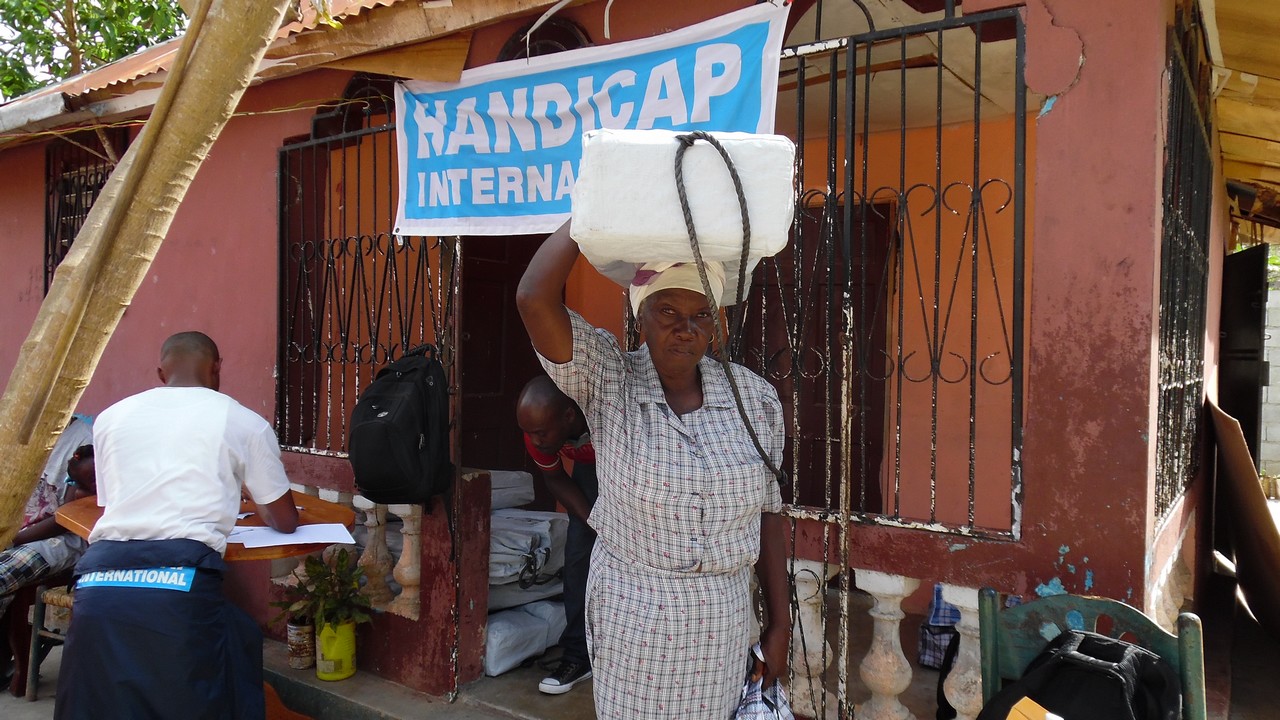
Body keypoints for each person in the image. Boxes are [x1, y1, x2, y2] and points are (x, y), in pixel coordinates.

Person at [516, 221, 791, 719]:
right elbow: (534, 297)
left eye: (701, 315)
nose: (685, 329)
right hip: (634, 623)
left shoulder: (756, 399)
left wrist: (779, 627)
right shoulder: (609, 381)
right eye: (667, 311)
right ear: (641, 316)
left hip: (722, 624)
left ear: (716, 324)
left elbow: (769, 515)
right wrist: (592, 211)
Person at [55, 331, 299, 720]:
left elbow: (115, 502)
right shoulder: (242, 421)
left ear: (160, 372)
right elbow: (284, 520)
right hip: (178, 586)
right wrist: (247, 491)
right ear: (217, 367)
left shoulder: (111, 419)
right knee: (225, 665)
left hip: (97, 585)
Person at [516, 375, 597, 695]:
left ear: (568, 416)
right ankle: (578, 656)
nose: (534, 441)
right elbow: (555, 479)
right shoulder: (537, 435)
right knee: (578, 557)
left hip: (628, 469)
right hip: (587, 472)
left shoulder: (603, 416)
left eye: (540, 432)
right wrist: (595, 522)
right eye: (528, 432)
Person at [0, 445, 97, 620]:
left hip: (72, 542)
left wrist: (12, 539)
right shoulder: (79, 486)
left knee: (4, 575)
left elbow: (63, 523)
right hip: (36, 534)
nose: (99, 483)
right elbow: (66, 515)